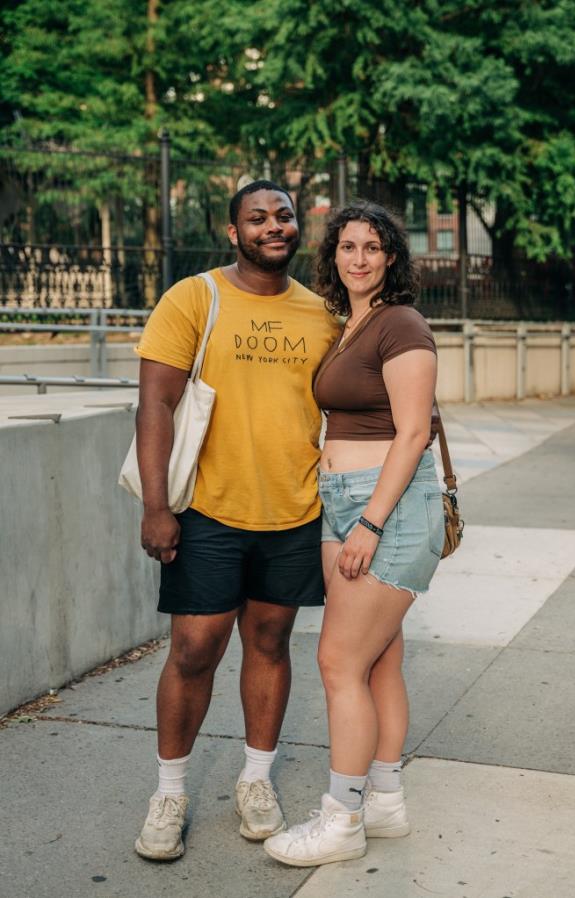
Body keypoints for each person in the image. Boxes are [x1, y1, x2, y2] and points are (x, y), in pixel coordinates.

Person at [133, 180, 339, 861]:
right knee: (194, 650)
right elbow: (156, 405)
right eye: (258, 217)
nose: (274, 225)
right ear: (234, 232)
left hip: (294, 510)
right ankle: (170, 792)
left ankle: (255, 781)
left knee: (271, 644)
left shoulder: (323, 315)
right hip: (209, 511)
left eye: (283, 215)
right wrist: (156, 506)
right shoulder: (195, 297)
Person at [264, 201, 445, 867]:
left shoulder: (401, 324)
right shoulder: (351, 325)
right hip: (341, 504)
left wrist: (369, 521)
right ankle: (385, 801)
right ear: (334, 255)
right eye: (347, 247)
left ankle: (341, 819)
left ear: (391, 256)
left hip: (382, 509)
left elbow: (415, 431)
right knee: (377, 660)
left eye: (372, 246)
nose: (359, 258)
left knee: (338, 663)